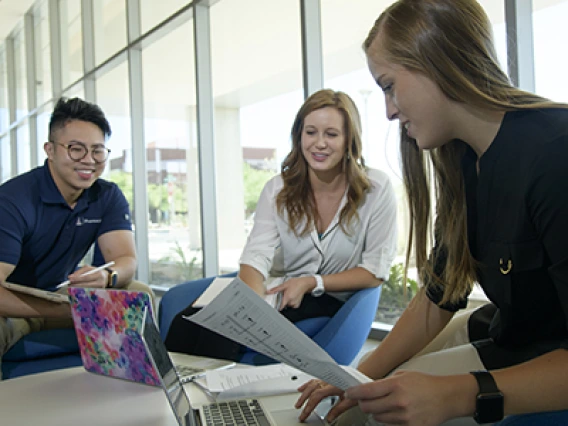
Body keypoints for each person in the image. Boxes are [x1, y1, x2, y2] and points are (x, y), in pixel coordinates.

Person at [296, 0, 568, 425]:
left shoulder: (556, 155)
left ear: (435, 62)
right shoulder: (463, 162)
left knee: (373, 416)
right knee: (354, 404)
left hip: (545, 364)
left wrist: (456, 395)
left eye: (388, 85)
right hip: (505, 335)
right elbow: (440, 295)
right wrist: (356, 374)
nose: (388, 110)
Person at [165, 88, 398, 361]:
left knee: (220, 335)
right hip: (277, 291)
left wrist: (312, 282)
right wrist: (251, 304)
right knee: (188, 322)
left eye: (331, 134)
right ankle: (174, 398)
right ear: (299, 136)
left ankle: (216, 397)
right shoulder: (278, 189)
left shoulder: (376, 188)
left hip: (331, 298)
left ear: (349, 140)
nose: (319, 143)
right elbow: (256, 254)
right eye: (311, 132)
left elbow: (375, 270)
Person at [0, 97, 154, 379]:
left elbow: (126, 260)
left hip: (61, 294)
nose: (88, 160)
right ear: (50, 150)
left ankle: (131, 394)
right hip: (13, 302)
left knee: (139, 293)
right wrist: (71, 310)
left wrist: (107, 277)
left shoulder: (106, 195)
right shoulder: (13, 200)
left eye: (97, 151)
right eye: (76, 149)